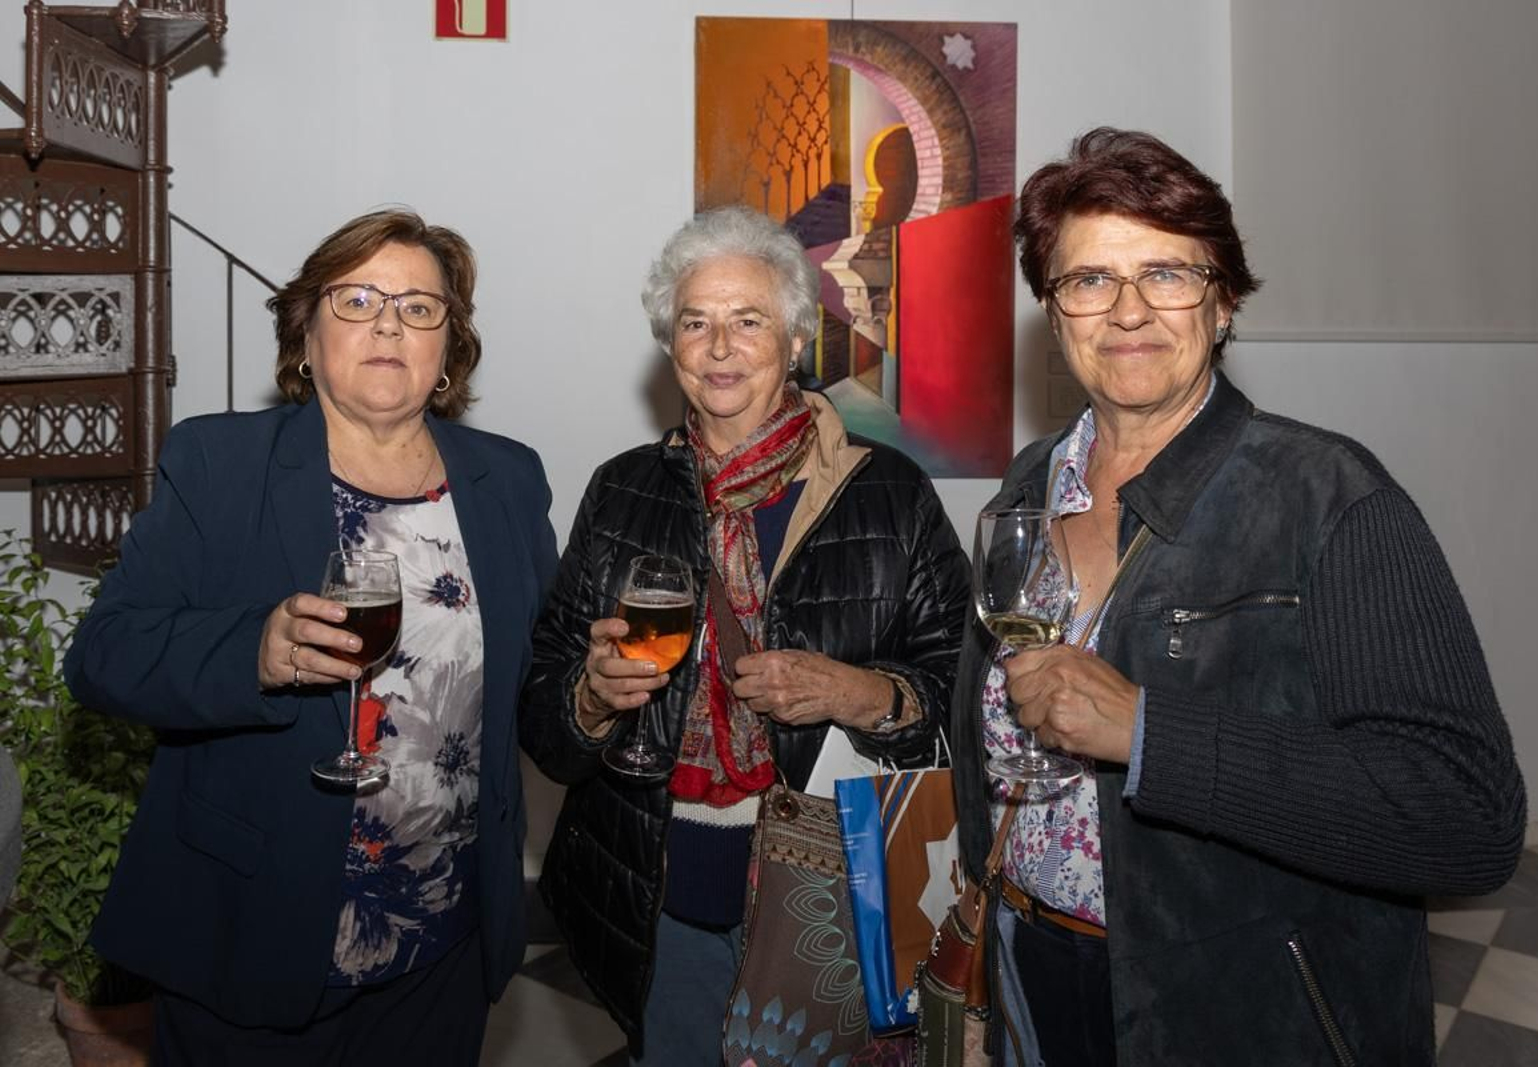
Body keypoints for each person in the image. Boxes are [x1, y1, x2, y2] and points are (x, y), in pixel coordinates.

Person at [950, 128, 1526, 1066]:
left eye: (1167, 274)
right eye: (1090, 279)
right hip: (1030, 971)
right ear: (1053, 314)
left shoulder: (1328, 495)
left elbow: (1468, 817)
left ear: (1222, 304)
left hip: (1236, 1011)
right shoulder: (1029, 486)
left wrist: (1151, 733)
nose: (1128, 309)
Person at [64, 209, 559, 1063]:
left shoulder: (507, 478)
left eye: (418, 307)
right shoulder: (220, 463)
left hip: (442, 937)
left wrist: (592, 689)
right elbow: (104, 654)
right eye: (357, 299)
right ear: (305, 331)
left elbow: (536, 676)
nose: (388, 326)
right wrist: (252, 650)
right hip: (255, 929)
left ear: (449, 346)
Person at [521, 205, 969, 1064]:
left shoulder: (890, 492)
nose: (720, 345)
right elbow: (542, 717)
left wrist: (858, 693)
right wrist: (592, 696)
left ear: (796, 339)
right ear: (671, 346)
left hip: (835, 898)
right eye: (696, 322)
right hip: (661, 900)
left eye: (748, 320)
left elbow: (968, 692)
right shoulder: (621, 491)